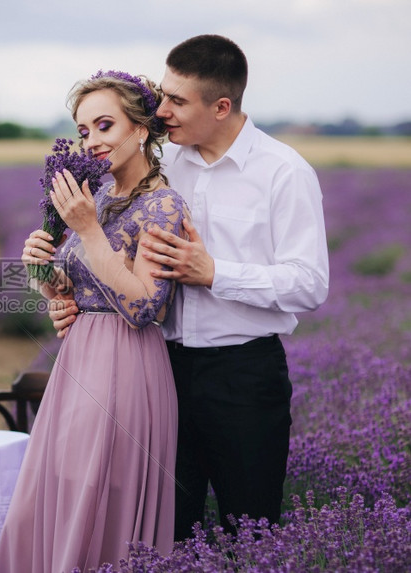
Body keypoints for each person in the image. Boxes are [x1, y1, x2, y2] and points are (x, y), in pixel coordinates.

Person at [48, 35, 330, 541]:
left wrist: (215, 272)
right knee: (165, 530)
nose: (162, 110)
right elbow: (114, 262)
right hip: (158, 370)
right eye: (163, 95)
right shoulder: (161, 164)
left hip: (241, 374)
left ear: (221, 106)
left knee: (250, 526)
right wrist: (69, 301)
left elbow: (310, 283)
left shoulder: (282, 172)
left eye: (177, 101)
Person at [0, 70, 188, 573]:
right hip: (77, 362)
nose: (92, 141)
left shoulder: (162, 204)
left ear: (141, 128)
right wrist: (42, 270)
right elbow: (77, 289)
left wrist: (86, 230)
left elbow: (146, 306)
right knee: (56, 491)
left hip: (126, 366)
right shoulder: (96, 198)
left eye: (105, 125)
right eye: (83, 131)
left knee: (101, 504)